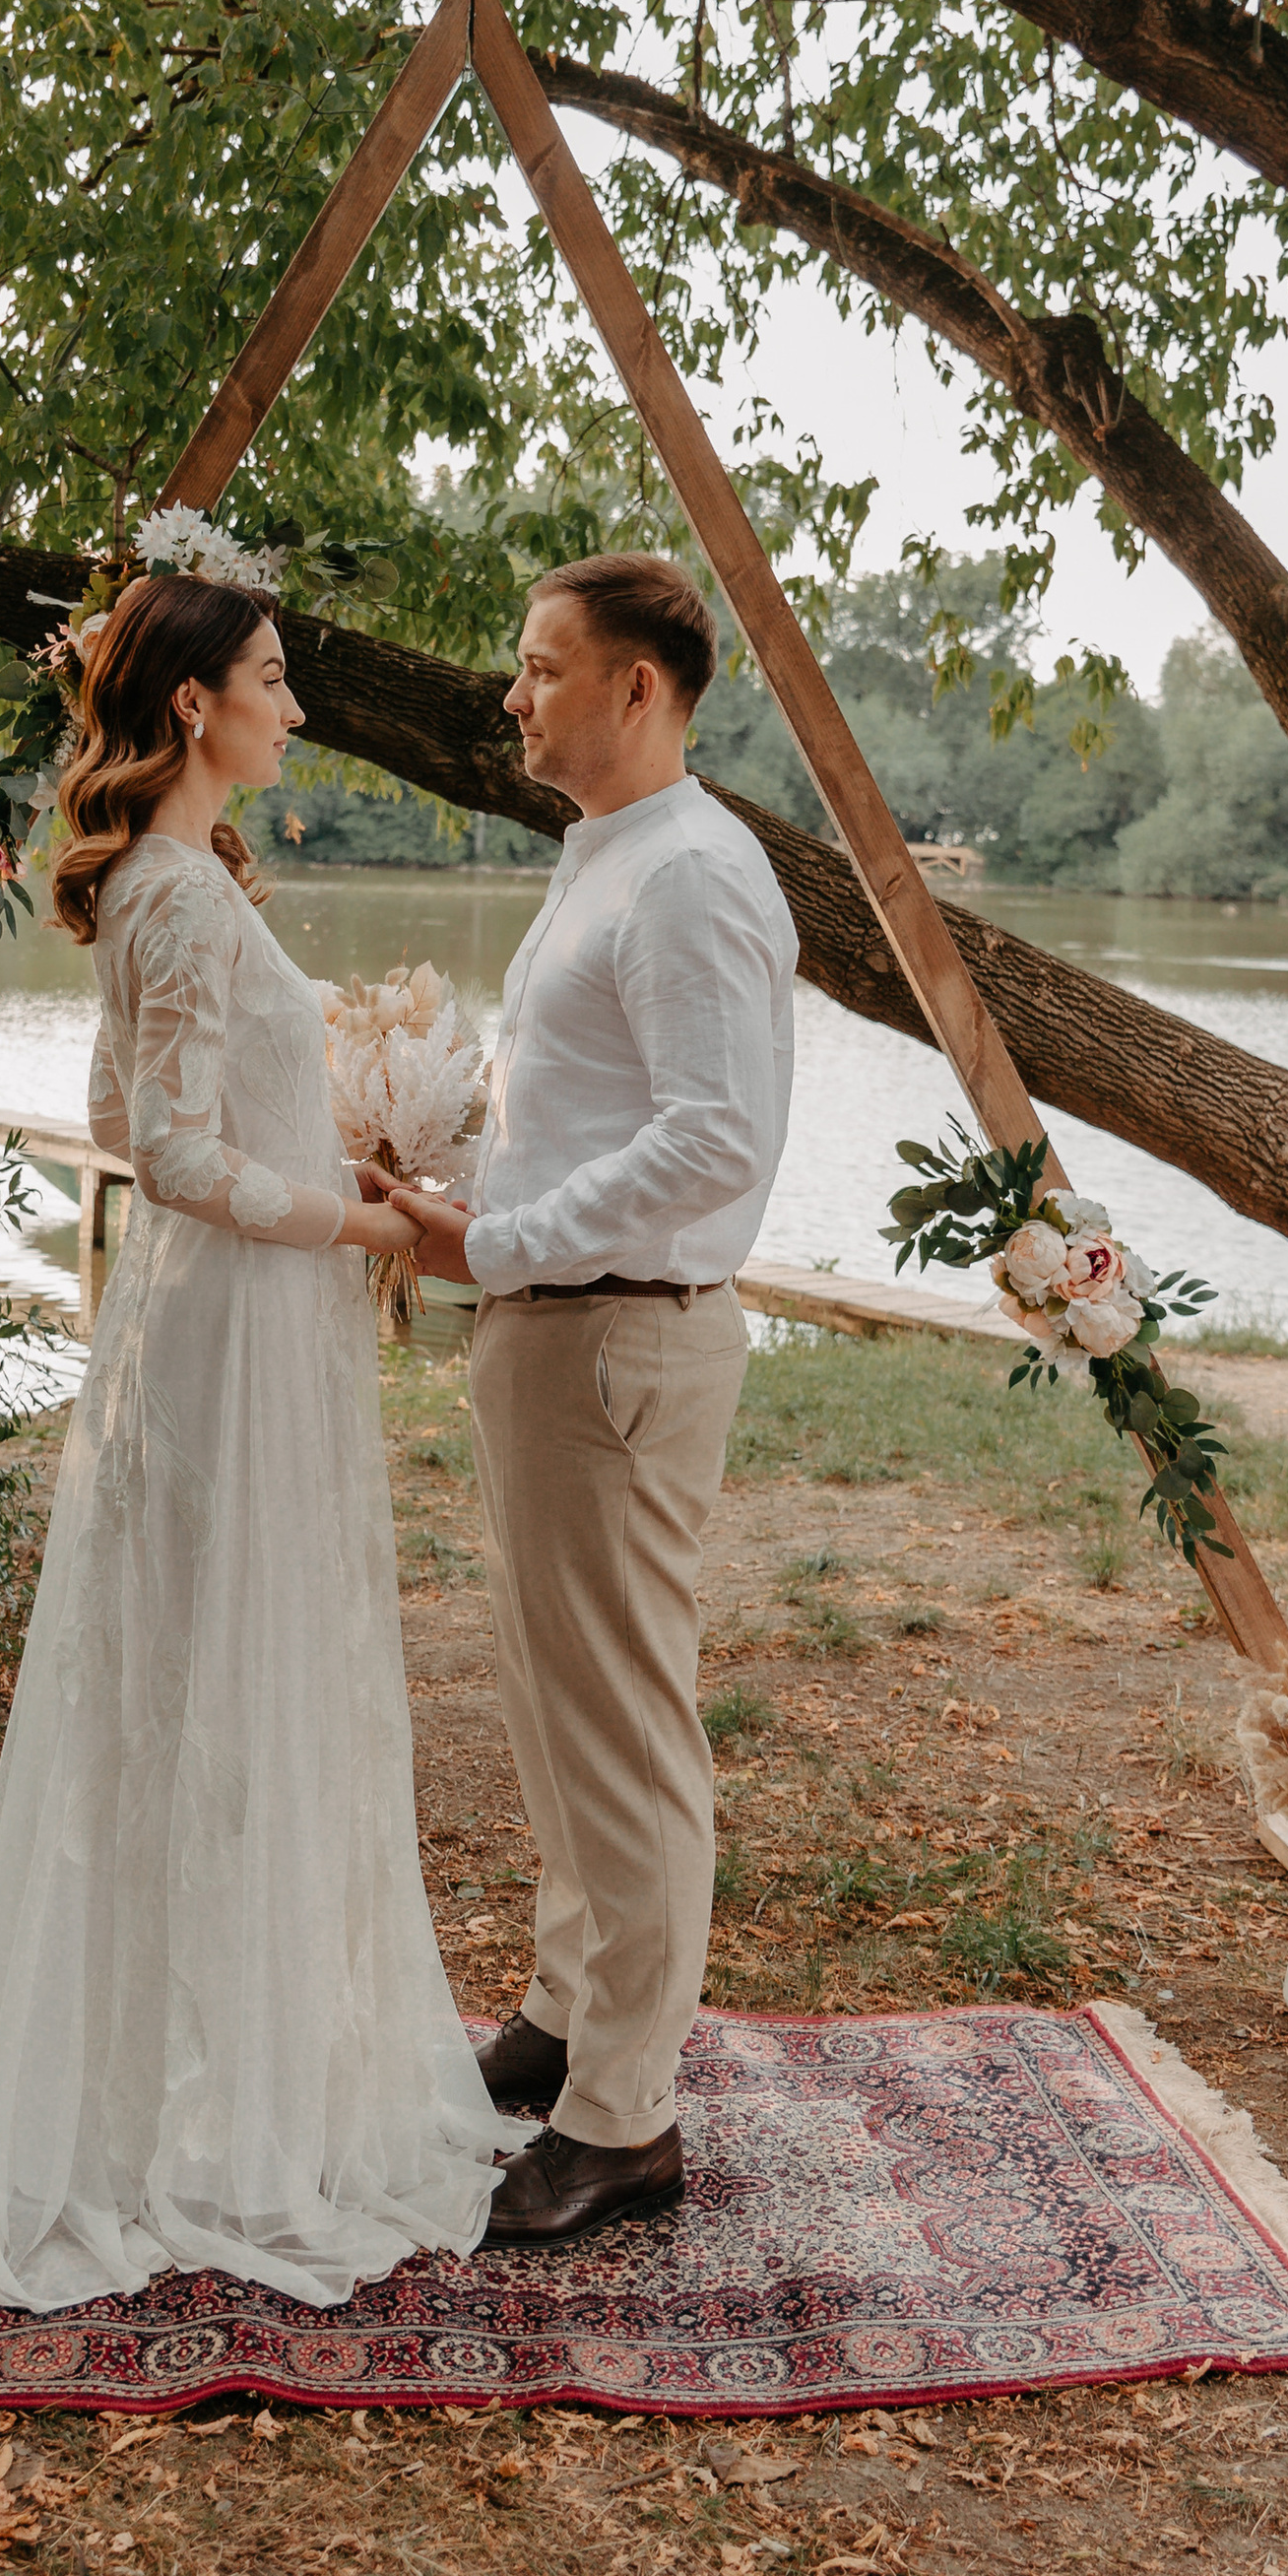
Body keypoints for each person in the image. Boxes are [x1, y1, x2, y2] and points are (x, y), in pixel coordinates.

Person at [0, 573, 508, 2312]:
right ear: (189, 707)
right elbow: (162, 1156)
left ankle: (216, 2066)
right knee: (214, 1685)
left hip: (226, 1321)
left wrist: (348, 1131)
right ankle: (196, 2110)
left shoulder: (174, 887)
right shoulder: (169, 896)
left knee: (212, 1679)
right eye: (273, 677)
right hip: (232, 1329)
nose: (294, 706)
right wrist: (362, 1220)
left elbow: (114, 1118)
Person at [389, 554, 798, 2244]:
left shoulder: (697, 876)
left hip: (617, 1335)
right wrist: (446, 1180)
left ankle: (627, 2117)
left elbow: (715, 1139)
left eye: (545, 667)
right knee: (557, 1700)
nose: (514, 691)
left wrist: (497, 1238)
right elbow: (576, 1111)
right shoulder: (604, 858)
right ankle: (569, 2013)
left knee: (627, 1727)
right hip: (553, 1329)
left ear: (641, 688)